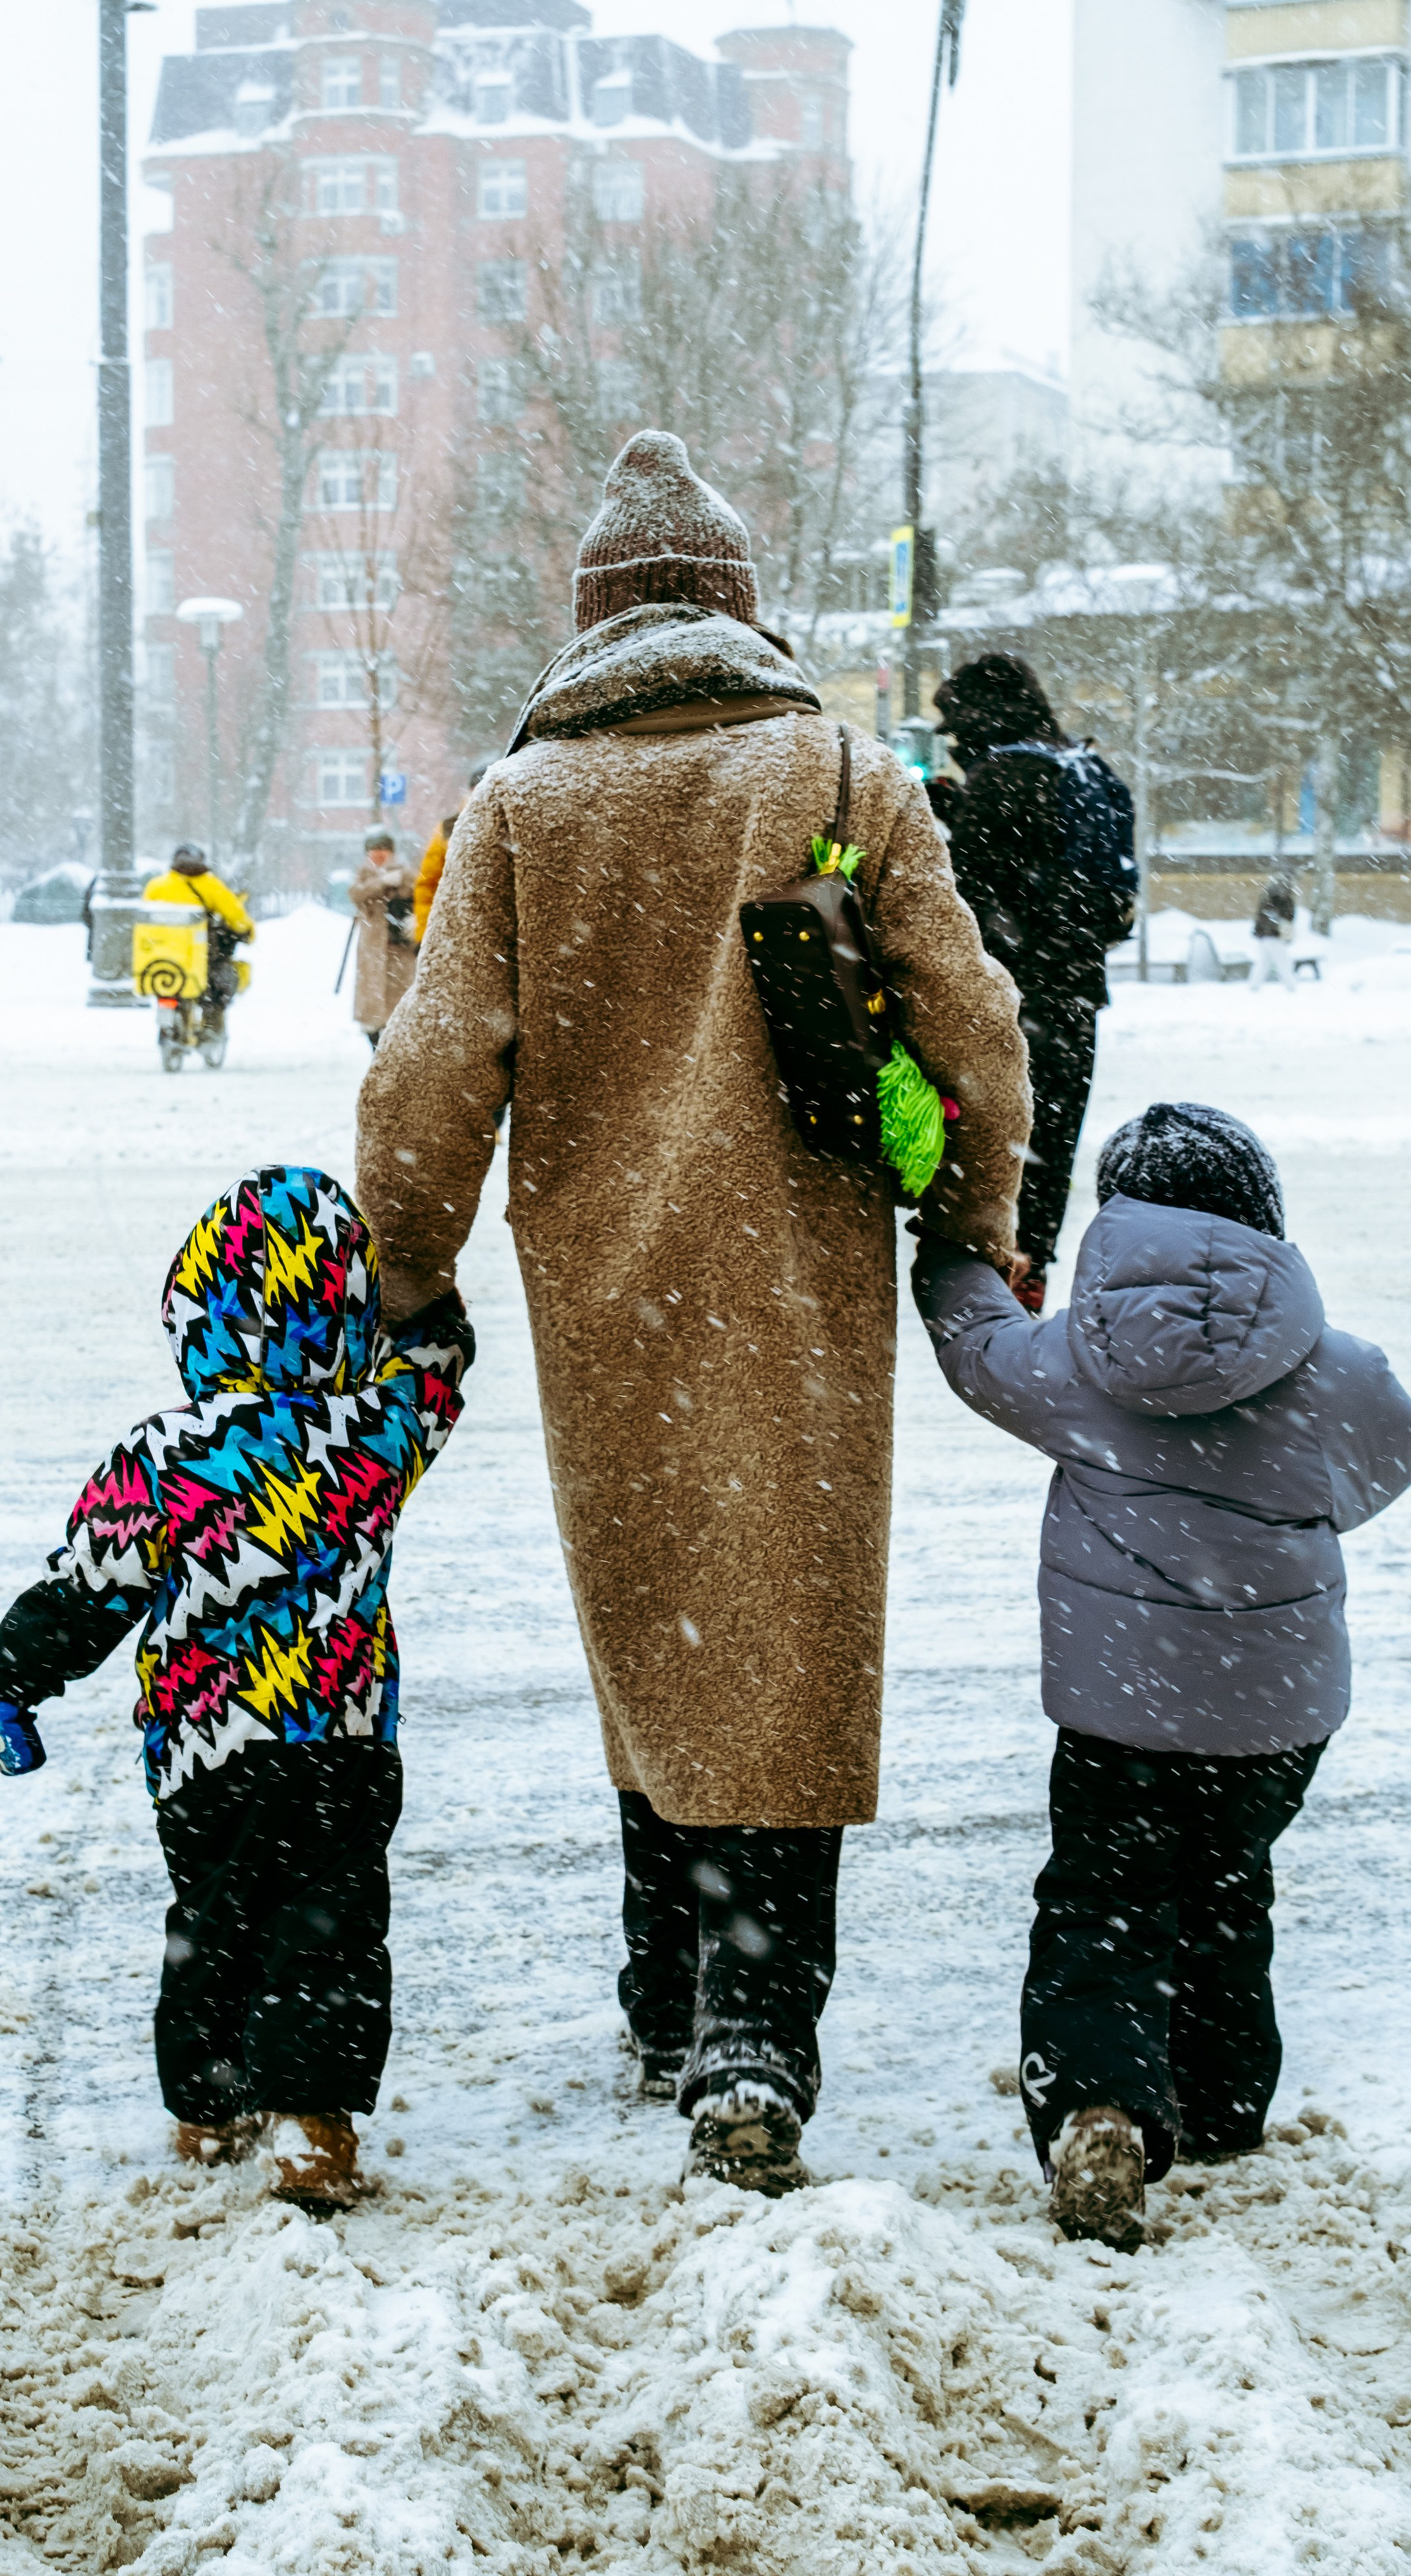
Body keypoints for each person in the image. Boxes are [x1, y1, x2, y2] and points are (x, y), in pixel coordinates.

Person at [357, 429, 1031, 2195]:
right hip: (799, 1282)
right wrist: (968, 1222)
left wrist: (409, 1267)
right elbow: (973, 1031)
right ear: (735, 611)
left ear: (590, 628)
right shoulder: (830, 765)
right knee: (784, 1630)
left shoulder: (518, 805)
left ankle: (669, 1983)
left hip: (604, 1286)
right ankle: (756, 2020)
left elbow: (429, 1072)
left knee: (651, 1606)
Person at [911, 1102, 1411, 2252]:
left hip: (1121, 1716)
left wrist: (958, 1260)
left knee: (1104, 1903)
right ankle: (1225, 2104)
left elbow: (974, 1350)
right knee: (1227, 1890)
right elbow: (1398, 1448)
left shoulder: (1073, 1359)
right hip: (1275, 1720)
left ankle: (1102, 2104)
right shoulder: (1333, 1371)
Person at [0, 1164, 474, 2214]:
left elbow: (88, 1588)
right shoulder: (376, 1439)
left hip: (206, 1750)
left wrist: (10, 1681)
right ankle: (312, 2123)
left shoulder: (167, 1457)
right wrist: (418, 1282)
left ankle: (210, 2107)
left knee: (217, 1915)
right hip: (341, 1737)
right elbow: (440, 1364)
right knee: (329, 1921)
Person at [932, 655, 1138, 1314]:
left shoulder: (1006, 778)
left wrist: (950, 825)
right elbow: (1088, 890)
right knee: (1049, 1145)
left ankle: (990, 1287)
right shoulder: (1087, 769)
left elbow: (965, 901)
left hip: (1016, 998)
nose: (951, 738)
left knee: (997, 1149)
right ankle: (1031, 1273)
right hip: (1076, 996)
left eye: (953, 722)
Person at [143, 842, 254, 1036]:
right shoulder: (210, 885)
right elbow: (237, 918)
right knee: (218, 985)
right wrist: (248, 933)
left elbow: (144, 920)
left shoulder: (156, 886)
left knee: (168, 989)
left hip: (163, 957)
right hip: (201, 957)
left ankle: (167, 1027)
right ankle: (211, 1025)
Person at [350, 827, 415, 1053]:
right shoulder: (363, 875)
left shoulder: (405, 873)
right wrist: (383, 882)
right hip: (371, 949)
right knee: (372, 1006)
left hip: (398, 949)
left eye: (383, 850)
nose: (378, 854)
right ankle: (377, 1047)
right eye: (374, 850)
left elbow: (417, 892)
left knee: (398, 1001)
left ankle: (392, 1049)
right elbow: (356, 895)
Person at [410, 770, 486, 947]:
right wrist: (423, 933)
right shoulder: (449, 828)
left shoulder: (513, 824)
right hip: (455, 930)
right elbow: (427, 884)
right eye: (478, 789)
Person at [1249, 865, 1299, 990]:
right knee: (1283, 962)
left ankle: (1254, 986)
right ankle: (1291, 987)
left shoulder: (1268, 896)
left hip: (1267, 934)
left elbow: (1263, 916)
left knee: (1264, 963)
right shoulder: (1280, 898)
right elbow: (1287, 916)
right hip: (1273, 935)